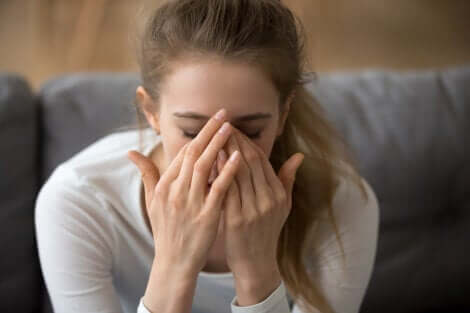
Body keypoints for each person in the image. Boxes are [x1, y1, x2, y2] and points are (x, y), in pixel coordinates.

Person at [34, 0, 380, 313]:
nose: (222, 158)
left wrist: (256, 273)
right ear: (151, 111)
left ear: (283, 114)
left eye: (250, 131)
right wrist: (174, 264)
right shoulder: (78, 201)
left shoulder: (343, 203)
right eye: (193, 132)